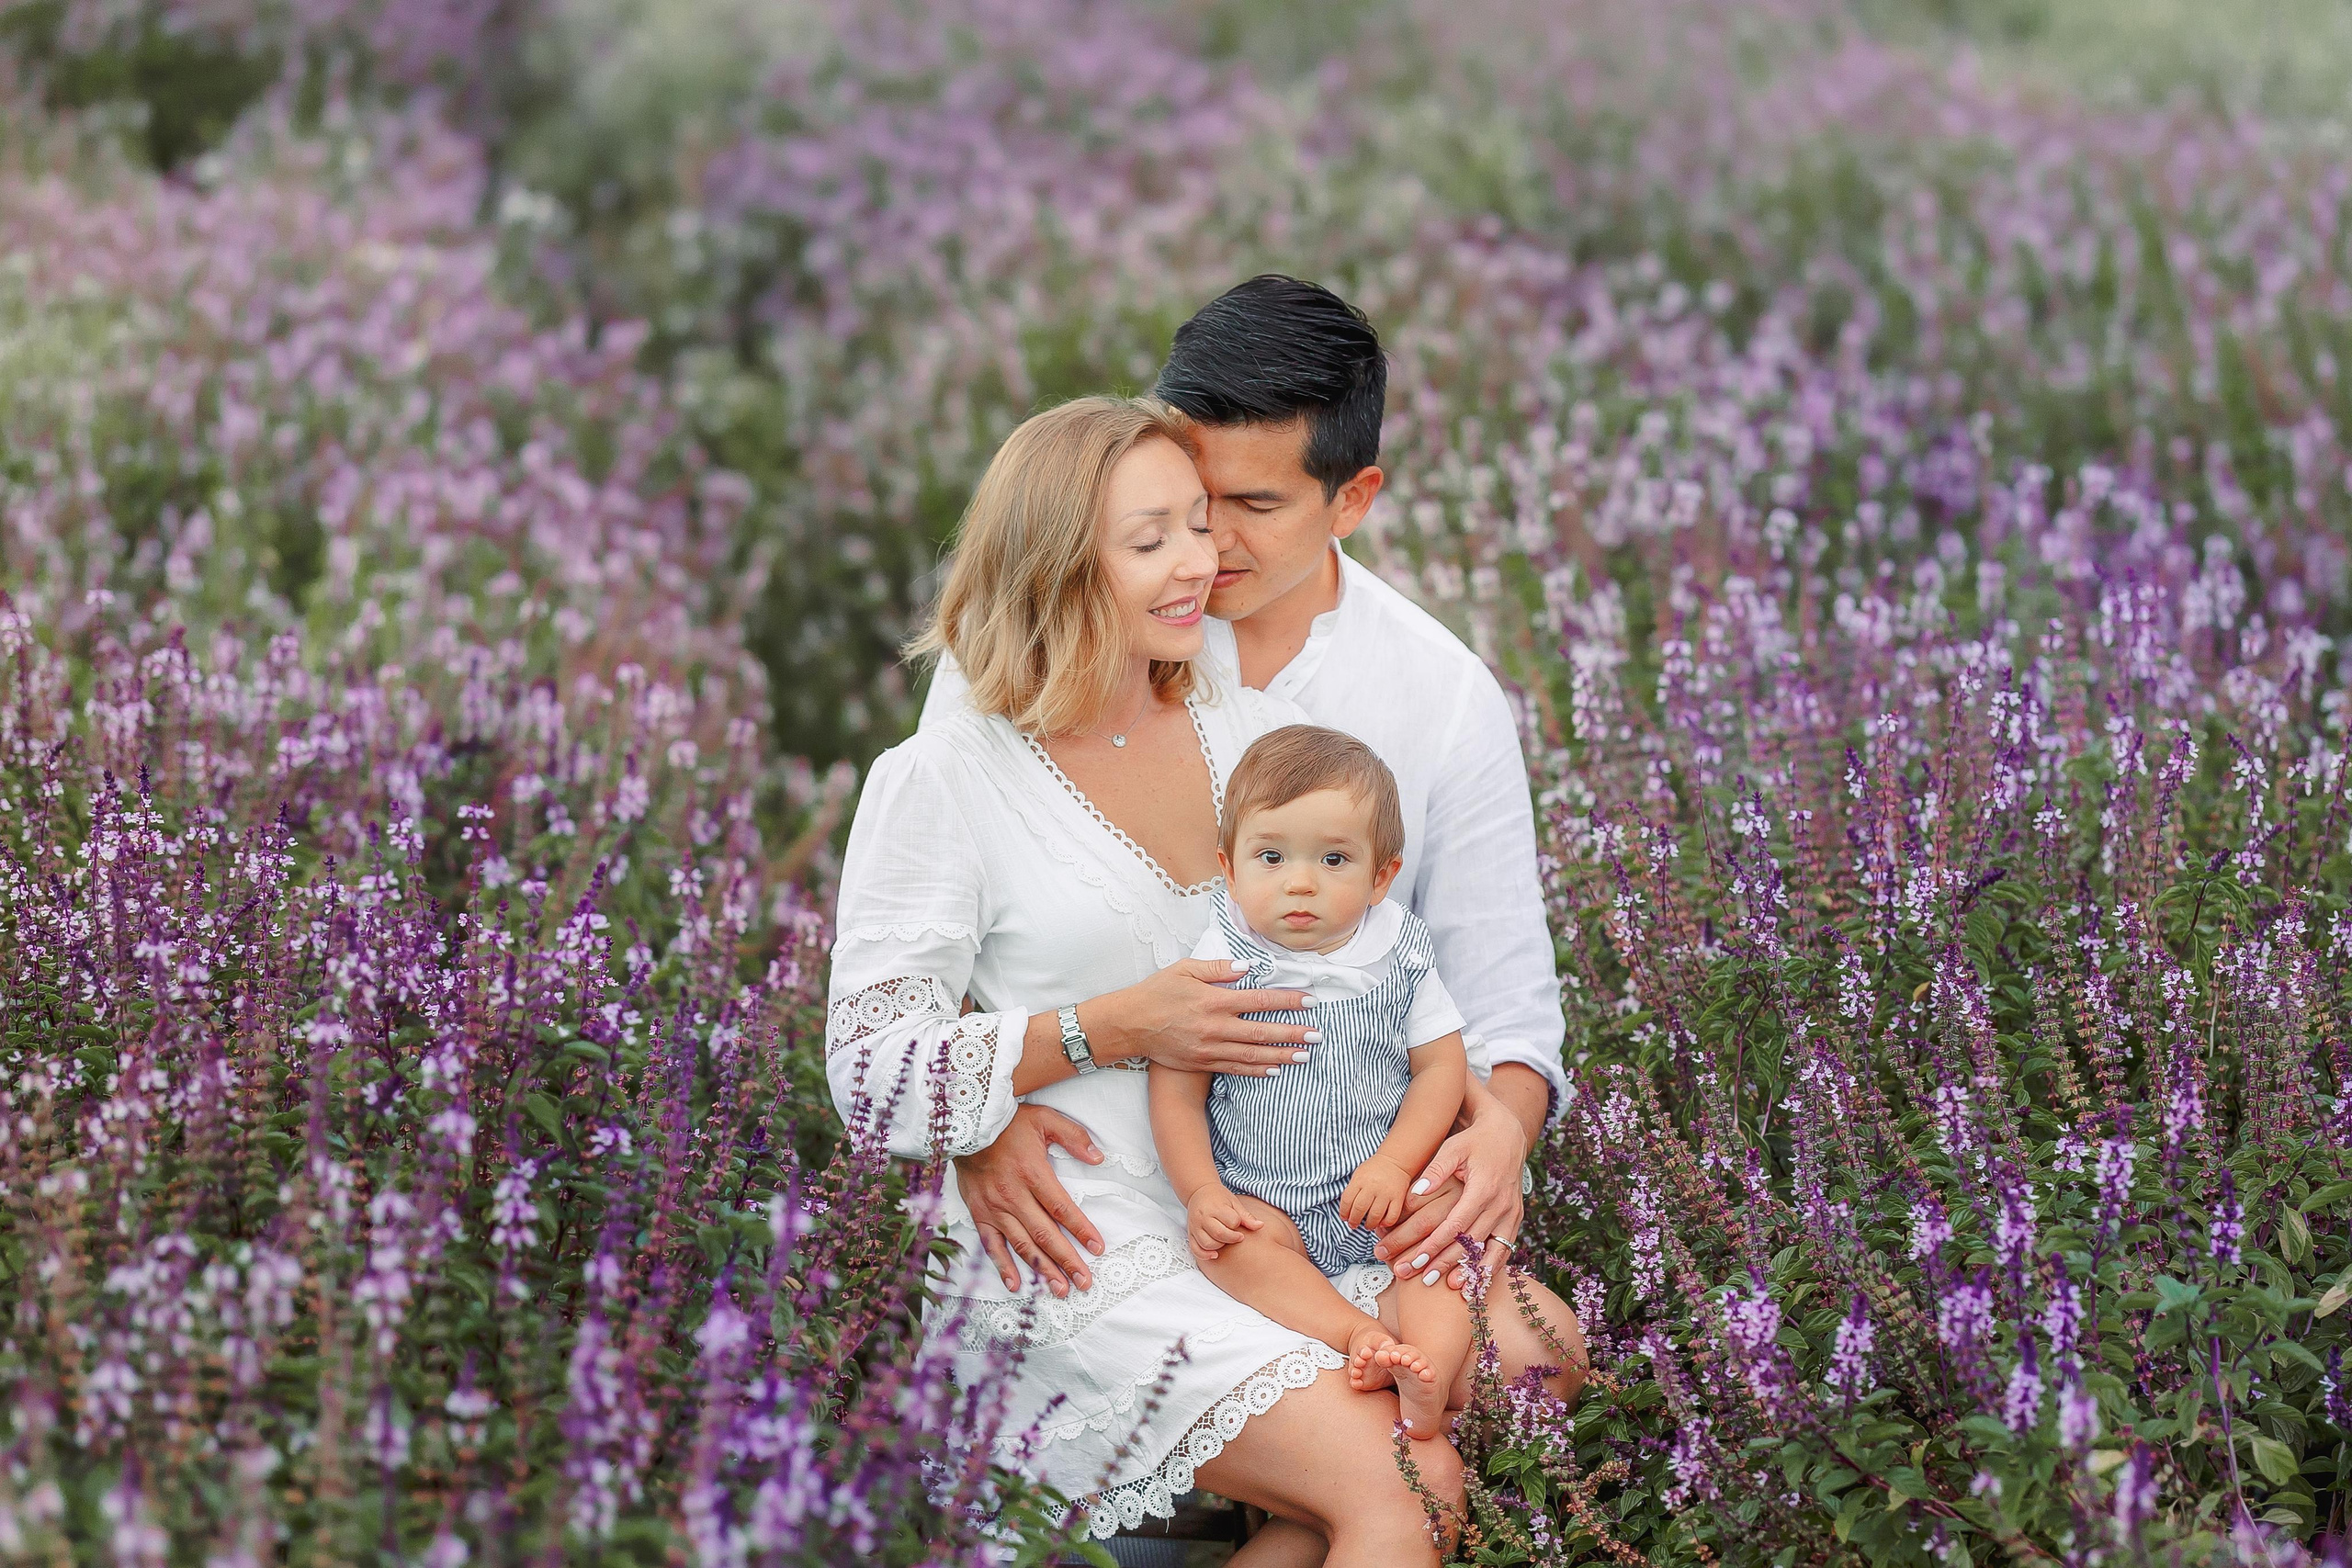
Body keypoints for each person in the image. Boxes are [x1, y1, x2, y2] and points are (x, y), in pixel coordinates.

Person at [827, 395, 1468, 1562]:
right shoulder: (945, 776)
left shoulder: (1253, 733)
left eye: (1198, 524)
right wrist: (1105, 1030)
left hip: (1261, 1211)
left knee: (1519, 1363)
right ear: (1058, 566)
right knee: (1404, 1474)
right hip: (1075, 1235)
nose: (1199, 562)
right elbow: (871, 1069)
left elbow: (1376, 969)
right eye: (1149, 540)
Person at [1153, 726, 1476, 1444]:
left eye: (1334, 859)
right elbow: (1176, 1087)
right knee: (1228, 1245)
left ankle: (1429, 1365)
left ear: (1381, 875)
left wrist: (1396, 1164)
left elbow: (1441, 1067)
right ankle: (1357, 1332)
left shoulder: (1400, 951)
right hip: (1269, 1202)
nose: (1300, 882)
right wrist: (1201, 1190)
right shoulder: (1222, 958)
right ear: (1229, 868)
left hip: (1380, 1194)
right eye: (1271, 857)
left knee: (1442, 1222)